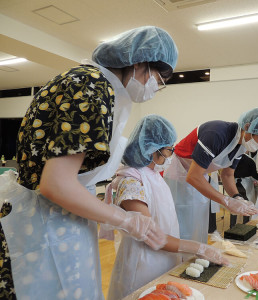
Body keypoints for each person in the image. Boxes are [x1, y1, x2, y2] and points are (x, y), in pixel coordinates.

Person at [0, 26, 178, 300]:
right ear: (140, 62)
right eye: (158, 78)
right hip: (42, 227)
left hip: (56, 221)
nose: (156, 87)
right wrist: (124, 219)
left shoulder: (95, 87)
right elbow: (56, 184)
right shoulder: (91, 85)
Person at [105, 115, 229, 299]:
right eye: (169, 150)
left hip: (165, 258)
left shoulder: (152, 174)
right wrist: (198, 248)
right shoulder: (131, 181)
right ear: (153, 150)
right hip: (143, 265)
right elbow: (151, 234)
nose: (172, 155)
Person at [164, 107, 258, 243]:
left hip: (200, 175)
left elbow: (227, 175)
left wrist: (237, 198)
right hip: (179, 175)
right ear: (248, 127)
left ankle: (193, 254)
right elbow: (192, 177)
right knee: (182, 225)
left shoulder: (242, 145)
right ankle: (178, 259)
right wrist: (226, 201)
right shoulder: (217, 133)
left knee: (198, 224)